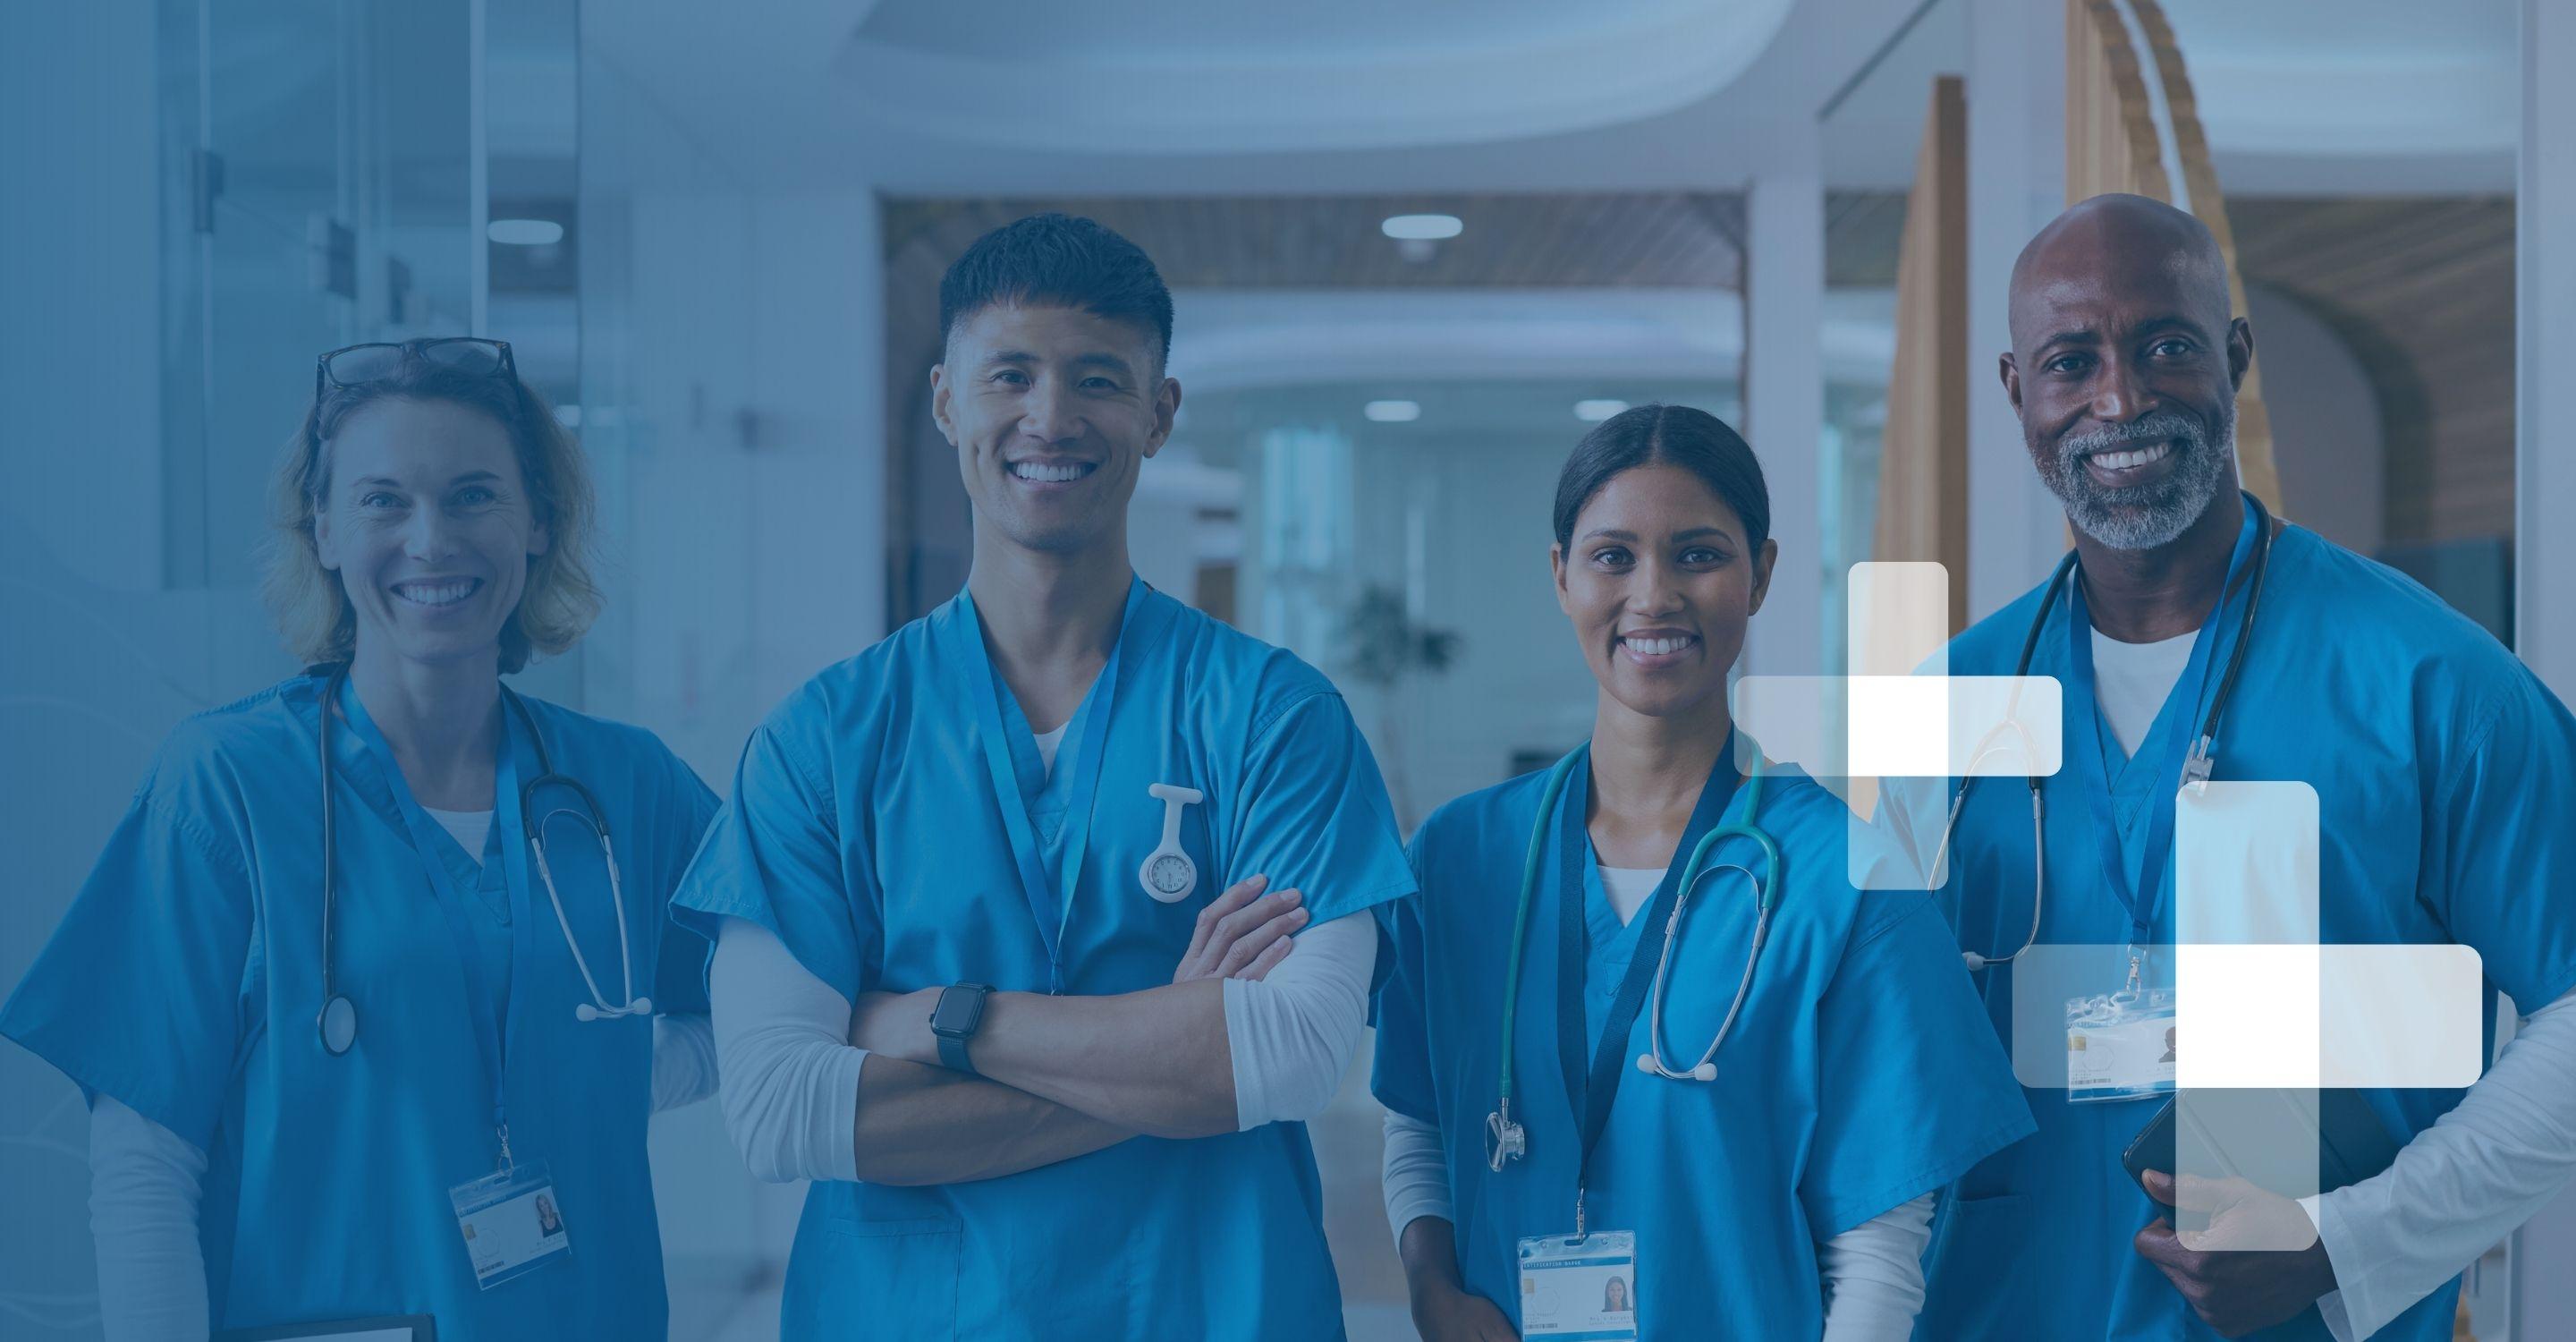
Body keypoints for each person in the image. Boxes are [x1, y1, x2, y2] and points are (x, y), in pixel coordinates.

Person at [674, 213, 1415, 1340]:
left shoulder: (1273, 718)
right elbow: (780, 1114)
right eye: (1009, 375)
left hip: (1210, 1306)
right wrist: (1174, 1047)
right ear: (944, 402)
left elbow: (1294, 1057)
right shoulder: (822, 741)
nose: (1051, 418)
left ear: (1159, 415)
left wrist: (939, 1018)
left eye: (1099, 380)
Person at [1911, 192, 2576, 1341]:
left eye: (2165, 344)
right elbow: (1865, 1062)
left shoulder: (2435, 683)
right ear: (2020, 393)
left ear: (2234, 356)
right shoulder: (1941, 709)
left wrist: (2355, 1244)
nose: (2120, 397)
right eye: (2073, 361)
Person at [0, 337, 723, 1338]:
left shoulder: (626, 787)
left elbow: (773, 1002)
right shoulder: (224, 786)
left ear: (539, 523)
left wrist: (612, 1066)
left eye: (474, 495)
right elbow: (144, 1163)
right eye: (386, 500)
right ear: (325, 530)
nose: (431, 540)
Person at [1371, 405, 2033, 1341]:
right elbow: (1420, 1122)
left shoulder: (1847, 879)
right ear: (1560, 576)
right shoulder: (1460, 857)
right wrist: (1432, 1292)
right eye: (1613, 557)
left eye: (1697, 554)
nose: (1654, 596)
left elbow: (1881, 1249)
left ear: (1760, 575)